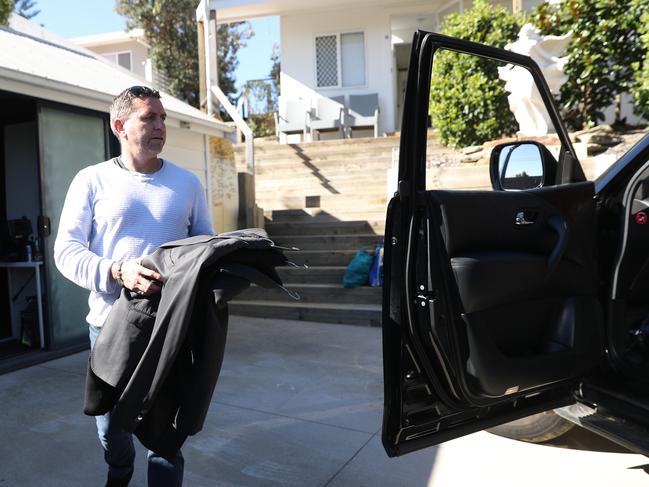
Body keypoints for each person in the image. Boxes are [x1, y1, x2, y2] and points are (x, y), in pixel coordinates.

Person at [54, 85, 214, 487]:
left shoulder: (188, 184)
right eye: (149, 117)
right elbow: (66, 250)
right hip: (111, 326)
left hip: (171, 328)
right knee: (112, 428)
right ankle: (119, 471)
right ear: (120, 125)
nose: (160, 125)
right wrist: (115, 271)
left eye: (163, 118)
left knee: (166, 434)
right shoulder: (92, 180)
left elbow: (204, 248)